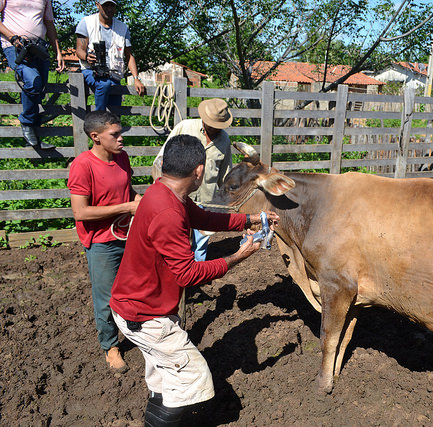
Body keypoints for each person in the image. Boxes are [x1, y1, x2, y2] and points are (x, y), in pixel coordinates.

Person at [110, 134, 278, 426]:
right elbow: (187, 274)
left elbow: (205, 219)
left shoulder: (164, 191)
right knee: (194, 379)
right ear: (199, 171)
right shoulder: (168, 212)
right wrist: (239, 256)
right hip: (146, 316)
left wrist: (251, 219)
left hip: (136, 304)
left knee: (165, 379)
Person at [67, 110, 141, 373]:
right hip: (102, 241)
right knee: (106, 297)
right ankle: (110, 346)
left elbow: (126, 190)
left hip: (127, 235)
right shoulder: (83, 165)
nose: (121, 139)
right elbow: (80, 212)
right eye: (115, 135)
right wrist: (126, 207)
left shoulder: (122, 159)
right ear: (96, 137)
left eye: (120, 133)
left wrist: (137, 198)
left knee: (133, 287)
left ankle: (134, 329)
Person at [152, 98, 234, 261]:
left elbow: (225, 174)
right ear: (204, 119)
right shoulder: (185, 127)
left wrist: (228, 201)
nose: (215, 128)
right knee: (176, 239)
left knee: (200, 243)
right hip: (178, 197)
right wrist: (163, 193)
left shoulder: (224, 140)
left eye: (219, 126)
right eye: (212, 124)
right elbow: (161, 161)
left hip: (206, 200)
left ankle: (196, 276)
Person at [0, 0, 64, 150]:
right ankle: (27, 123)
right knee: (32, 81)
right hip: (15, 46)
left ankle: (34, 139)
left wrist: (58, 53)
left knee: (39, 90)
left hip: (38, 47)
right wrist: (13, 37)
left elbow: (49, 24)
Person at [75, 0, 144, 111]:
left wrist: (136, 78)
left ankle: (110, 123)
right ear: (97, 4)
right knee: (104, 84)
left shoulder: (123, 28)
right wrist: (87, 57)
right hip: (91, 70)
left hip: (114, 74)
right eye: (105, 5)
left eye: (112, 5)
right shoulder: (87, 23)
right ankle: (99, 117)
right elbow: (79, 50)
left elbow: (129, 56)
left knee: (115, 113)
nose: (109, 9)